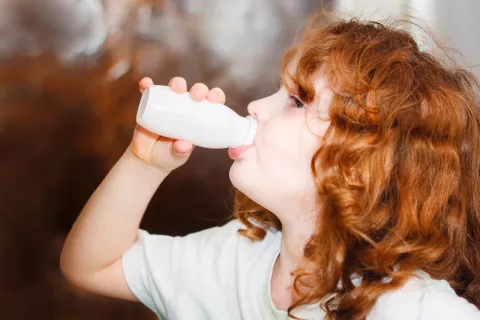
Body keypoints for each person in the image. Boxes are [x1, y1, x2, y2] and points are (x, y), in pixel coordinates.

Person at [60, 12, 480, 320]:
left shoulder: (411, 309)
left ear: (359, 167)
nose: (256, 107)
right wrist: (143, 163)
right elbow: (91, 267)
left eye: (296, 102)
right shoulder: (233, 256)